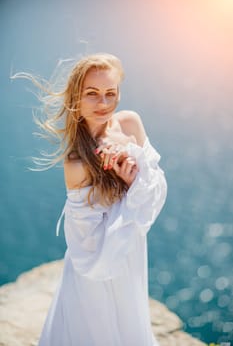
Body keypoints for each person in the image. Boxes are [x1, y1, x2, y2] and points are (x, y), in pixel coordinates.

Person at [25, 53, 167, 345]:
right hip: (96, 268)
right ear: (76, 98)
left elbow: (156, 192)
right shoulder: (76, 163)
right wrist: (131, 194)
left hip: (130, 253)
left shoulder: (130, 124)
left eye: (110, 93)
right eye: (92, 94)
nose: (103, 103)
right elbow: (85, 245)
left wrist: (133, 181)